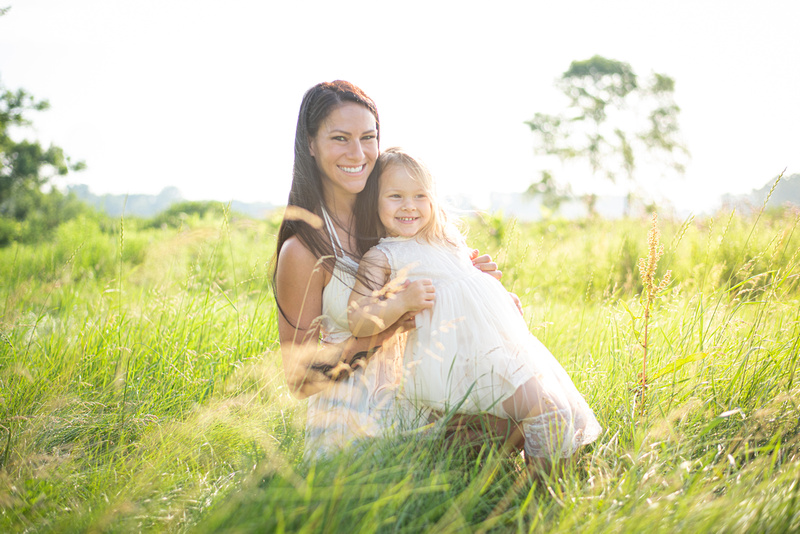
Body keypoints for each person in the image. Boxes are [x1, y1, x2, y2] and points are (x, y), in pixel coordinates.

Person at [273, 81, 507, 459]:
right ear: (311, 145)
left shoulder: (394, 222)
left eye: (368, 137)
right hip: (352, 419)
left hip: (418, 393)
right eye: (340, 138)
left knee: (521, 418)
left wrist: (467, 283)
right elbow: (301, 380)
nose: (358, 152)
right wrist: (390, 326)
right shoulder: (302, 251)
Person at [347, 148, 602, 469]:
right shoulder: (383, 257)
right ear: (375, 201)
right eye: (396, 196)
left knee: (550, 412)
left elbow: (469, 291)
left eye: (420, 195)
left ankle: (546, 494)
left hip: (493, 355)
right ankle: (544, 503)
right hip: (446, 370)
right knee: (545, 411)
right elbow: (358, 319)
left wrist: (490, 283)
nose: (409, 205)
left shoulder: (447, 240)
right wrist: (400, 302)